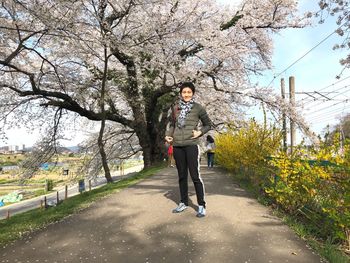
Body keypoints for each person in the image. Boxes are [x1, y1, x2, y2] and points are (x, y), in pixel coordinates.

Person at [165, 82, 212, 218]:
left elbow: (208, 124)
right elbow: (173, 125)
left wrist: (200, 133)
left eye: (189, 92)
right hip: (177, 145)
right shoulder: (176, 108)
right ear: (181, 93)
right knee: (182, 176)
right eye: (184, 92)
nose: (186, 94)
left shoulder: (198, 108)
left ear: (192, 93)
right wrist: (168, 135)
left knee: (195, 176)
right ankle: (183, 202)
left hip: (192, 144)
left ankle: (201, 205)